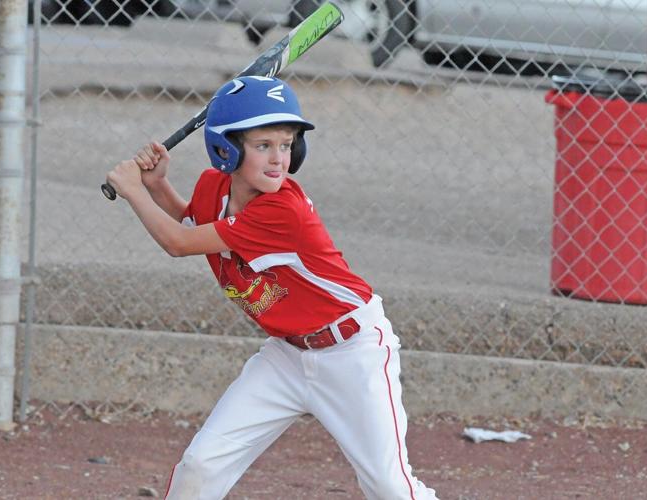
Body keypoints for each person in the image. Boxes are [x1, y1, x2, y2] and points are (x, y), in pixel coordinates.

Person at [106, 75, 438, 500]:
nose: (278, 158)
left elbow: (178, 243)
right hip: (286, 357)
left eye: (286, 144)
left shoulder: (283, 210)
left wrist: (133, 191)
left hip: (353, 353)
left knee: (390, 487)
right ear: (226, 149)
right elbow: (195, 223)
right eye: (263, 145)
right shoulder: (213, 187)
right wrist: (156, 187)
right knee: (202, 466)